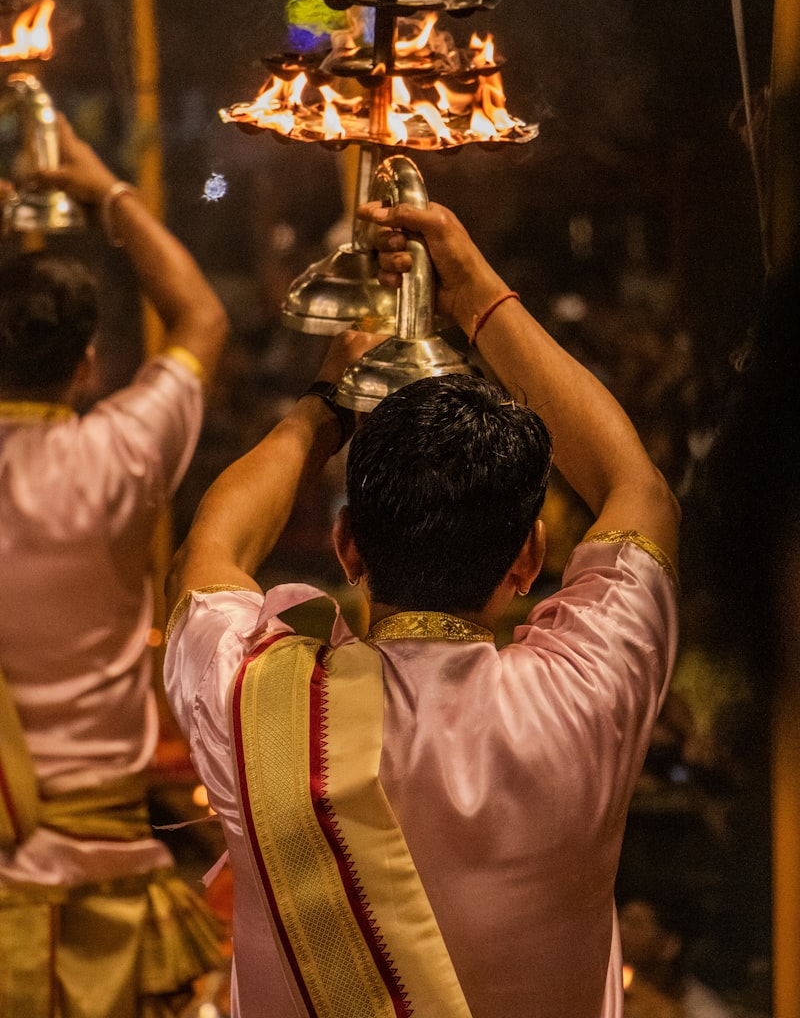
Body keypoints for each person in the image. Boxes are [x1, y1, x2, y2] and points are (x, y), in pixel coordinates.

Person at [163, 194, 681, 1018]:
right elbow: (639, 490)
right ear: (530, 558)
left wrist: (326, 404)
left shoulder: (253, 703)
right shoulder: (591, 694)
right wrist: (476, 296)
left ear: (346, 549)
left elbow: (210, 551)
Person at [0, 115, 230, 1017]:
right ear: (89, 365)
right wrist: (109, 193)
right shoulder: (120, 457)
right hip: (107, 883)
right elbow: (202, 317)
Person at [618, 894, 736, 1018]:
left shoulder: (701, 1012)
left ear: (670, 946)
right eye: (619, 919)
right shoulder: (611, 988)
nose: (620, 930)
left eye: (635, 924)